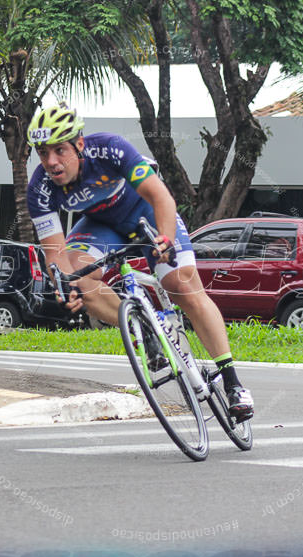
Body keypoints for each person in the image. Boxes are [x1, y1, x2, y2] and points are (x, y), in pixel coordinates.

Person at [25, 102, 254, 421]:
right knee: (78, 278)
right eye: (42, 153)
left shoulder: (110, 149)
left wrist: (164, 239)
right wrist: (66, 287)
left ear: (79, 144)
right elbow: (55, 253)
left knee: (181, 284)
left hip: (146, 213)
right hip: (103, 226)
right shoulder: (40, 189)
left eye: (59, 150)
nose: (51, 161)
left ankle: (232, 381)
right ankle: (143, 329)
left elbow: (161, 197)